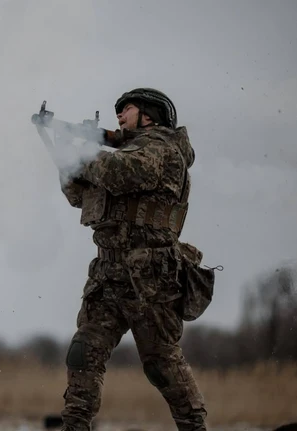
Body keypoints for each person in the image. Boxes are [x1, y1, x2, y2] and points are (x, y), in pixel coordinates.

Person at [58, 88, 210, 431]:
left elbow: (117, 172)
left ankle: (194, 427)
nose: (119, 116)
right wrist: (65, 161)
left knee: (162, 364)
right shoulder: (124, 153)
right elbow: (78, 196)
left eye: (125, 110)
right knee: (83, 352)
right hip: (108, 274)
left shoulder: (162, 150)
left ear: (149, 115)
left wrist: (83, 152)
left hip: (151, 277)